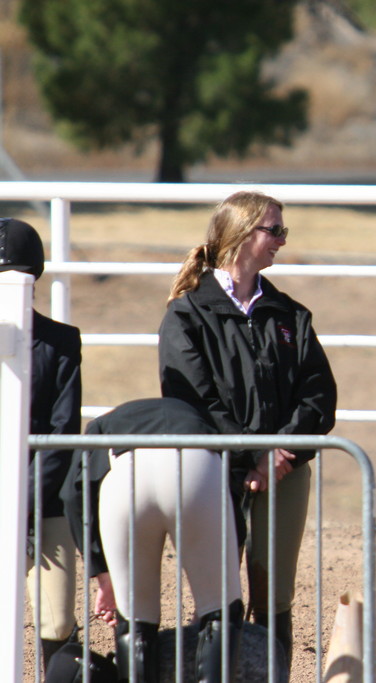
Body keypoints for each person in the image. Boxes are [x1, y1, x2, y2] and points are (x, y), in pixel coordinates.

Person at [158, 190, 337, 672]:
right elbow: (194, 402)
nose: (282, 240)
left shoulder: (290, 315)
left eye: (282, 230)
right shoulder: (187, 315)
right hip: (215, 471)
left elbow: (319, 397)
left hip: (285, 468)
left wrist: (279, 453)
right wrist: (252, 453)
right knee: (219, 591)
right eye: (274, 230)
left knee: (275, 592)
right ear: (240, 235)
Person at [61, 398, 245, 683]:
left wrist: (103, 575)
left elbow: (73, 495)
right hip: (195, 466)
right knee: (220, 612)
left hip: (124, 474)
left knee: (135, 621)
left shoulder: (100, 425)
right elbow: (231, 495)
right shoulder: (205, 421)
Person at [0, 218, 81, 672]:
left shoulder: (62, 342)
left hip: (45, 502)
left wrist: (24, 500)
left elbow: (62, 430)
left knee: (56, 620)